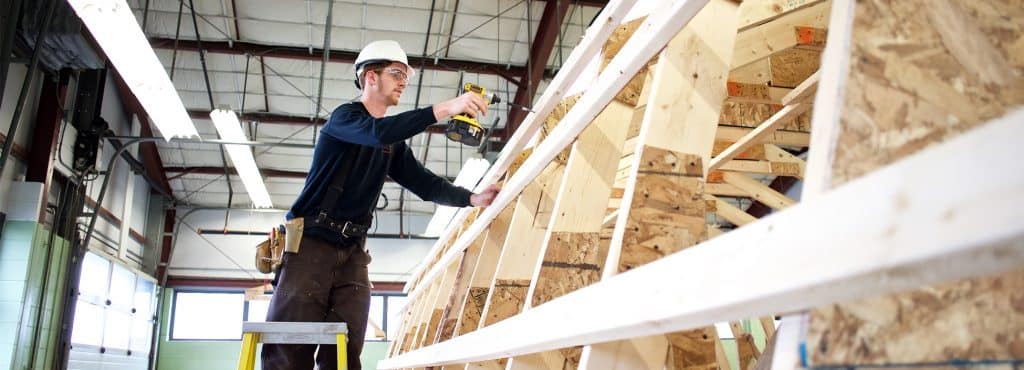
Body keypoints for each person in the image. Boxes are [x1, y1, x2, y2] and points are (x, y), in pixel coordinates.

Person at [262, 40, 500, 370]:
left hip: (353, 250)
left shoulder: (392, 145)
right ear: (370, 77)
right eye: (396, 73)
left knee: (345, 350)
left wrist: (471, 198)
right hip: (311, 244)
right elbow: (375, 133)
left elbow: (424, 183)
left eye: (406, 75)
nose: (404, 81)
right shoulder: (344, 119)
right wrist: (446, 107)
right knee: (290, 350)